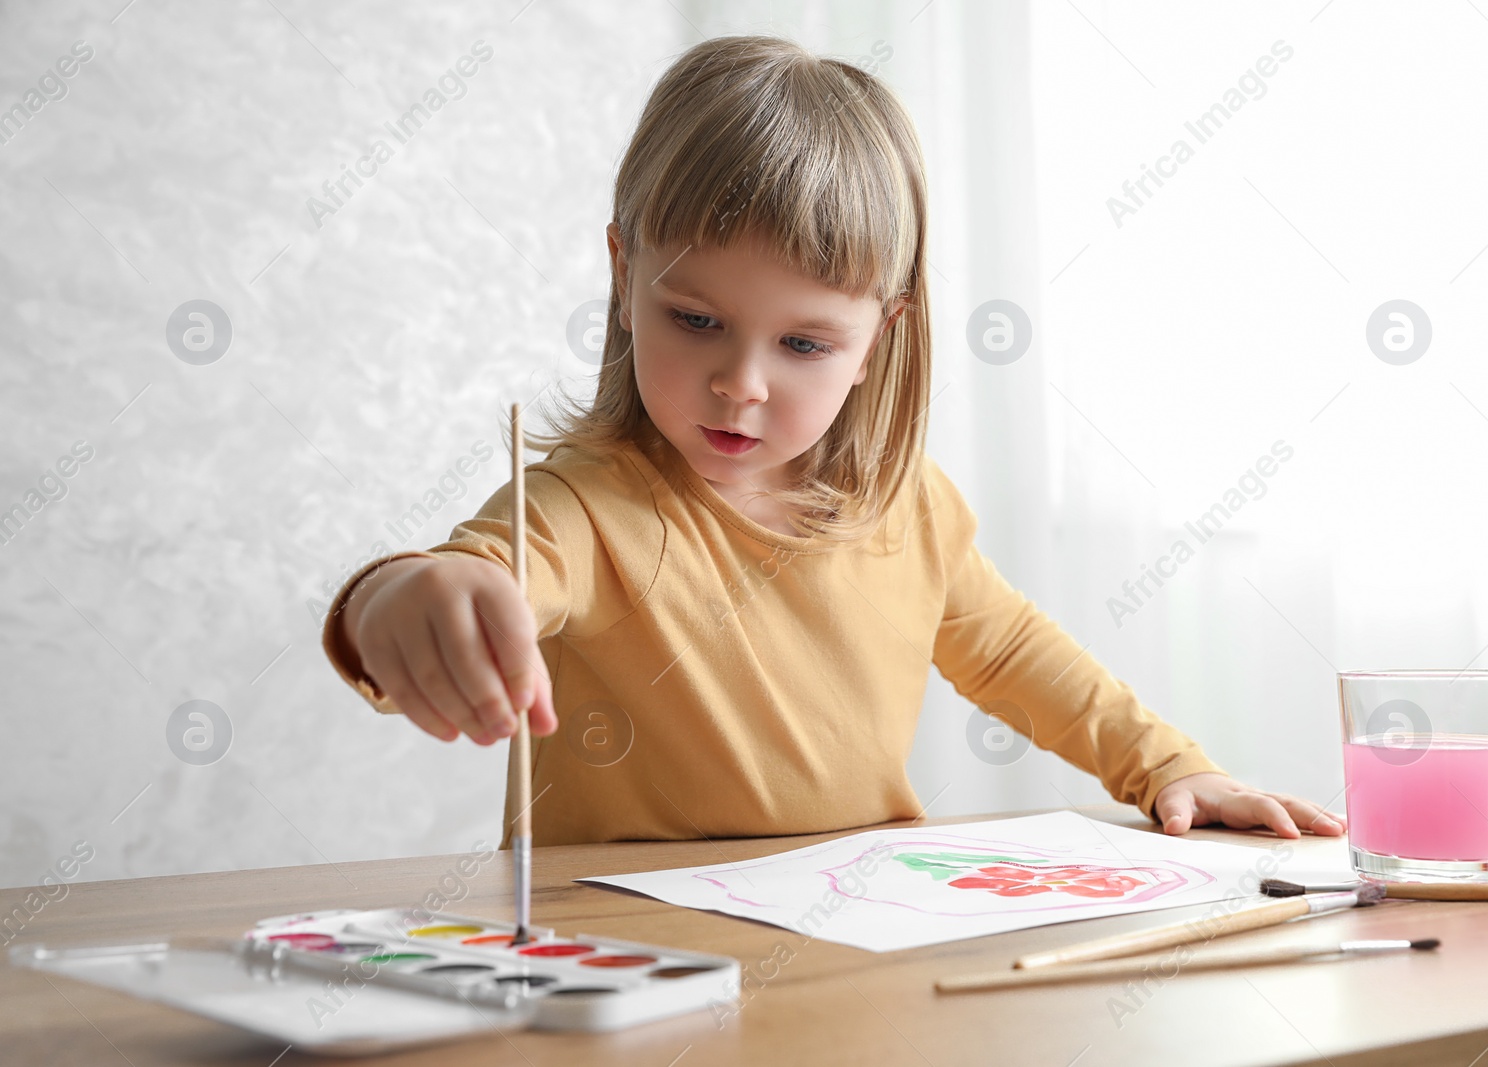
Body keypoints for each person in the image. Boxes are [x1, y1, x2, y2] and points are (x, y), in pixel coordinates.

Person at [321, 34, 1346, 850]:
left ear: (876, 342)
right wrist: (400, 595)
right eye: (694, 319)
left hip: (852, 928)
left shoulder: (908, 506)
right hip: (624, 959)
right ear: (622, 277)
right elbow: (474, 575)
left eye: (805, 341)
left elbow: (1017, 653)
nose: (741, 382)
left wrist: (1168, 766)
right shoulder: (584, 505)